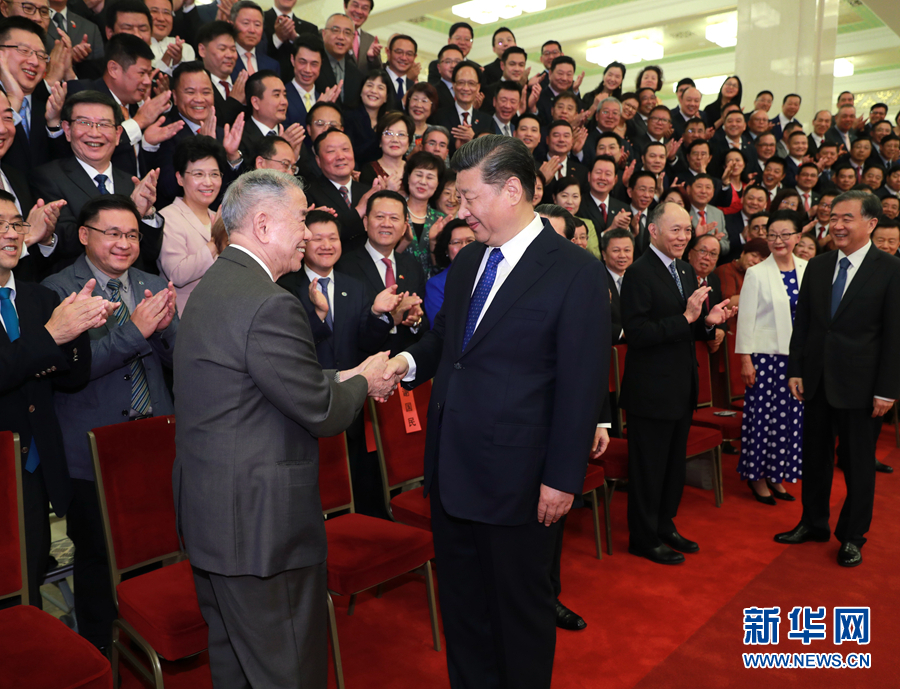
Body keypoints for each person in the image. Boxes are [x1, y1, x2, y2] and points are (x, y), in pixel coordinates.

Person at [380, 135, 610, 689]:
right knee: (464, 615)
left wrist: (562, 478)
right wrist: (403, 363)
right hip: (452, 470)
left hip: (520, 483)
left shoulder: (575, 271)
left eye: (468, 198)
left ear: (511, 190)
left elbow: (582, 383)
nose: (460, 211)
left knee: (519, 619)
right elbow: (446, 343)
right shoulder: (468, 263)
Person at [173, 169, 394, 688]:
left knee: (236, 668)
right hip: (261, 530)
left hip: (215, 519)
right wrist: (365, 381)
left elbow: (269, 379)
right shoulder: (270, 302)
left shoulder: (217, 283)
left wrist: (344, 375)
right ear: (264, 224)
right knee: (287, 671)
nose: (308, 233)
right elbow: (321, 411)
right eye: (301, 220)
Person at [42, 194, 177, 651]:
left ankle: (149, 644)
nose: (124, 243)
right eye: (113, 233)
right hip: (92, 451)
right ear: (84, 235)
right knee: (99, 560)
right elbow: (69, 371)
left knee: (153, 551)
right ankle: (103, 654)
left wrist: (165, 330)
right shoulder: (58, 290)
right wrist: (134, 332)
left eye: (132, 235)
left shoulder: (151, 282)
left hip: (153, 440)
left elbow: (177, 358)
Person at [777, 190, 900, 568]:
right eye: (833, 218)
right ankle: (813, 523)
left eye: (847, 218)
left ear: (871, 223)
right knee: (814, 459)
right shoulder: (817, 265)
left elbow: (894, 336)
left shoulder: (891, 269)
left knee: (858, 465)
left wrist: (887, 390)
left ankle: (852, 536)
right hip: (815, 381)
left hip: (862, 388)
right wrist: (796, 368)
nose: (838, 225)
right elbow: (804, 325)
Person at [0, 190, 106, 617]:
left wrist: (77, 329)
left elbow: (72, 377)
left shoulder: (39, 298)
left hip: (36, 468)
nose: (11, 233)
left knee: (28, 587)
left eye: (16, 224)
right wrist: (49, 338)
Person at [619, 202, 735, 565]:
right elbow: (637, 334)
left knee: (673, 467)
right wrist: (687, 317)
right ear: (653, 231)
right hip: (650, 391)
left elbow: (689, 326)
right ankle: (642, 537)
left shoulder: (684, 269)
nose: (683, 237)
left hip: (682, 387)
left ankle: (664, 524)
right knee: (649, 469)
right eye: (675, 230)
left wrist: (708, 322)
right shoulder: (638, 273)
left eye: (687, 230)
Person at [735, 211, 807, 505]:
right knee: (762, 420)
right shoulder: (757, 273)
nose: (779, 240)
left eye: (785, 234)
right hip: (764, 360)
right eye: (773, 235)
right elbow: (745, 320)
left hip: (796, 360)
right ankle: (757, 477)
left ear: (798, 237)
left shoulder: (807, 268)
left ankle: (777, 475)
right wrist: (745, 360)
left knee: (788, 420)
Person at [336, 189, 427, 354]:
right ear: (365, 222)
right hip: (364, 362)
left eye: (394, 218)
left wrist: (415, 321)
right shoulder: (344, 267)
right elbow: (345, 329)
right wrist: (388, 318)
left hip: (405, 362)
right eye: (379, 217)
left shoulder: (413, 266)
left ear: (404, 227)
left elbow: (425, 324)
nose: (386, 223)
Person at [158, 136, 226, 309]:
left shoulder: (221, 218)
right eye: (198, 174)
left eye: (214, 174)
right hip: (186, 315)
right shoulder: (168, 217)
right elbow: (177, 275)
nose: (208, 182)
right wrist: (215, 242)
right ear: (180, 178)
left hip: (223, 312)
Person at [401, 151, 447, 278]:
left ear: (438, 183)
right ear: (408, 177)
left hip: (431, 287)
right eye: (419, 175)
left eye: (430, 177)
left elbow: (443, 267)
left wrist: (433, 242)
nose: (423, 181)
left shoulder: (441, 220)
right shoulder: (394, 214)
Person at [422, 217, 474, 324]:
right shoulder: (437, 284)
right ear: (446, 250)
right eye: (456, 242)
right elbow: (439, 326)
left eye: (470, 241)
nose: (464, 247)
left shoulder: (491, 274)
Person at [343, 69, 390, 167]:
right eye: (369, 85)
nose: (374, 91)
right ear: (361, 91)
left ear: (386, 97)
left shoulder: (389, 122)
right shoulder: (347, 118)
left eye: (380, 88)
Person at [357, 110, 411, 186]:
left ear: (409, 142)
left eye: (401, 134)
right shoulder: (368, 171)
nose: (395, 140)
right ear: (380, 141)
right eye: (388, 134)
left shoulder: (414, 169)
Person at [716, 237, 769, 308]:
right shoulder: (726, 270)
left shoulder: (760, 276)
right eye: (754, 255)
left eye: (761, 260)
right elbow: (727, 303)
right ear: (743, 253)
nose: (756, 261)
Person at [406, 81, 438, 147]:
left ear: (432, 105)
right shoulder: (400, 130)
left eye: (424, 101)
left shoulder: (436, 133)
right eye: (415, 99)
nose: (418, 105)